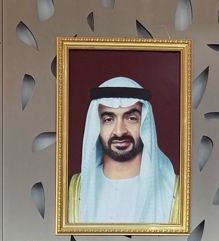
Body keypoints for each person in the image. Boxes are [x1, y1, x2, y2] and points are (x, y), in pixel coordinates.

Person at [66, 76, 182, 225]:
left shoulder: (177, 192)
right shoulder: (70, 191)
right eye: (108, 119)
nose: (120, 131)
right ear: (96, 126)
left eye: (131, 118)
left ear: (145, 124)